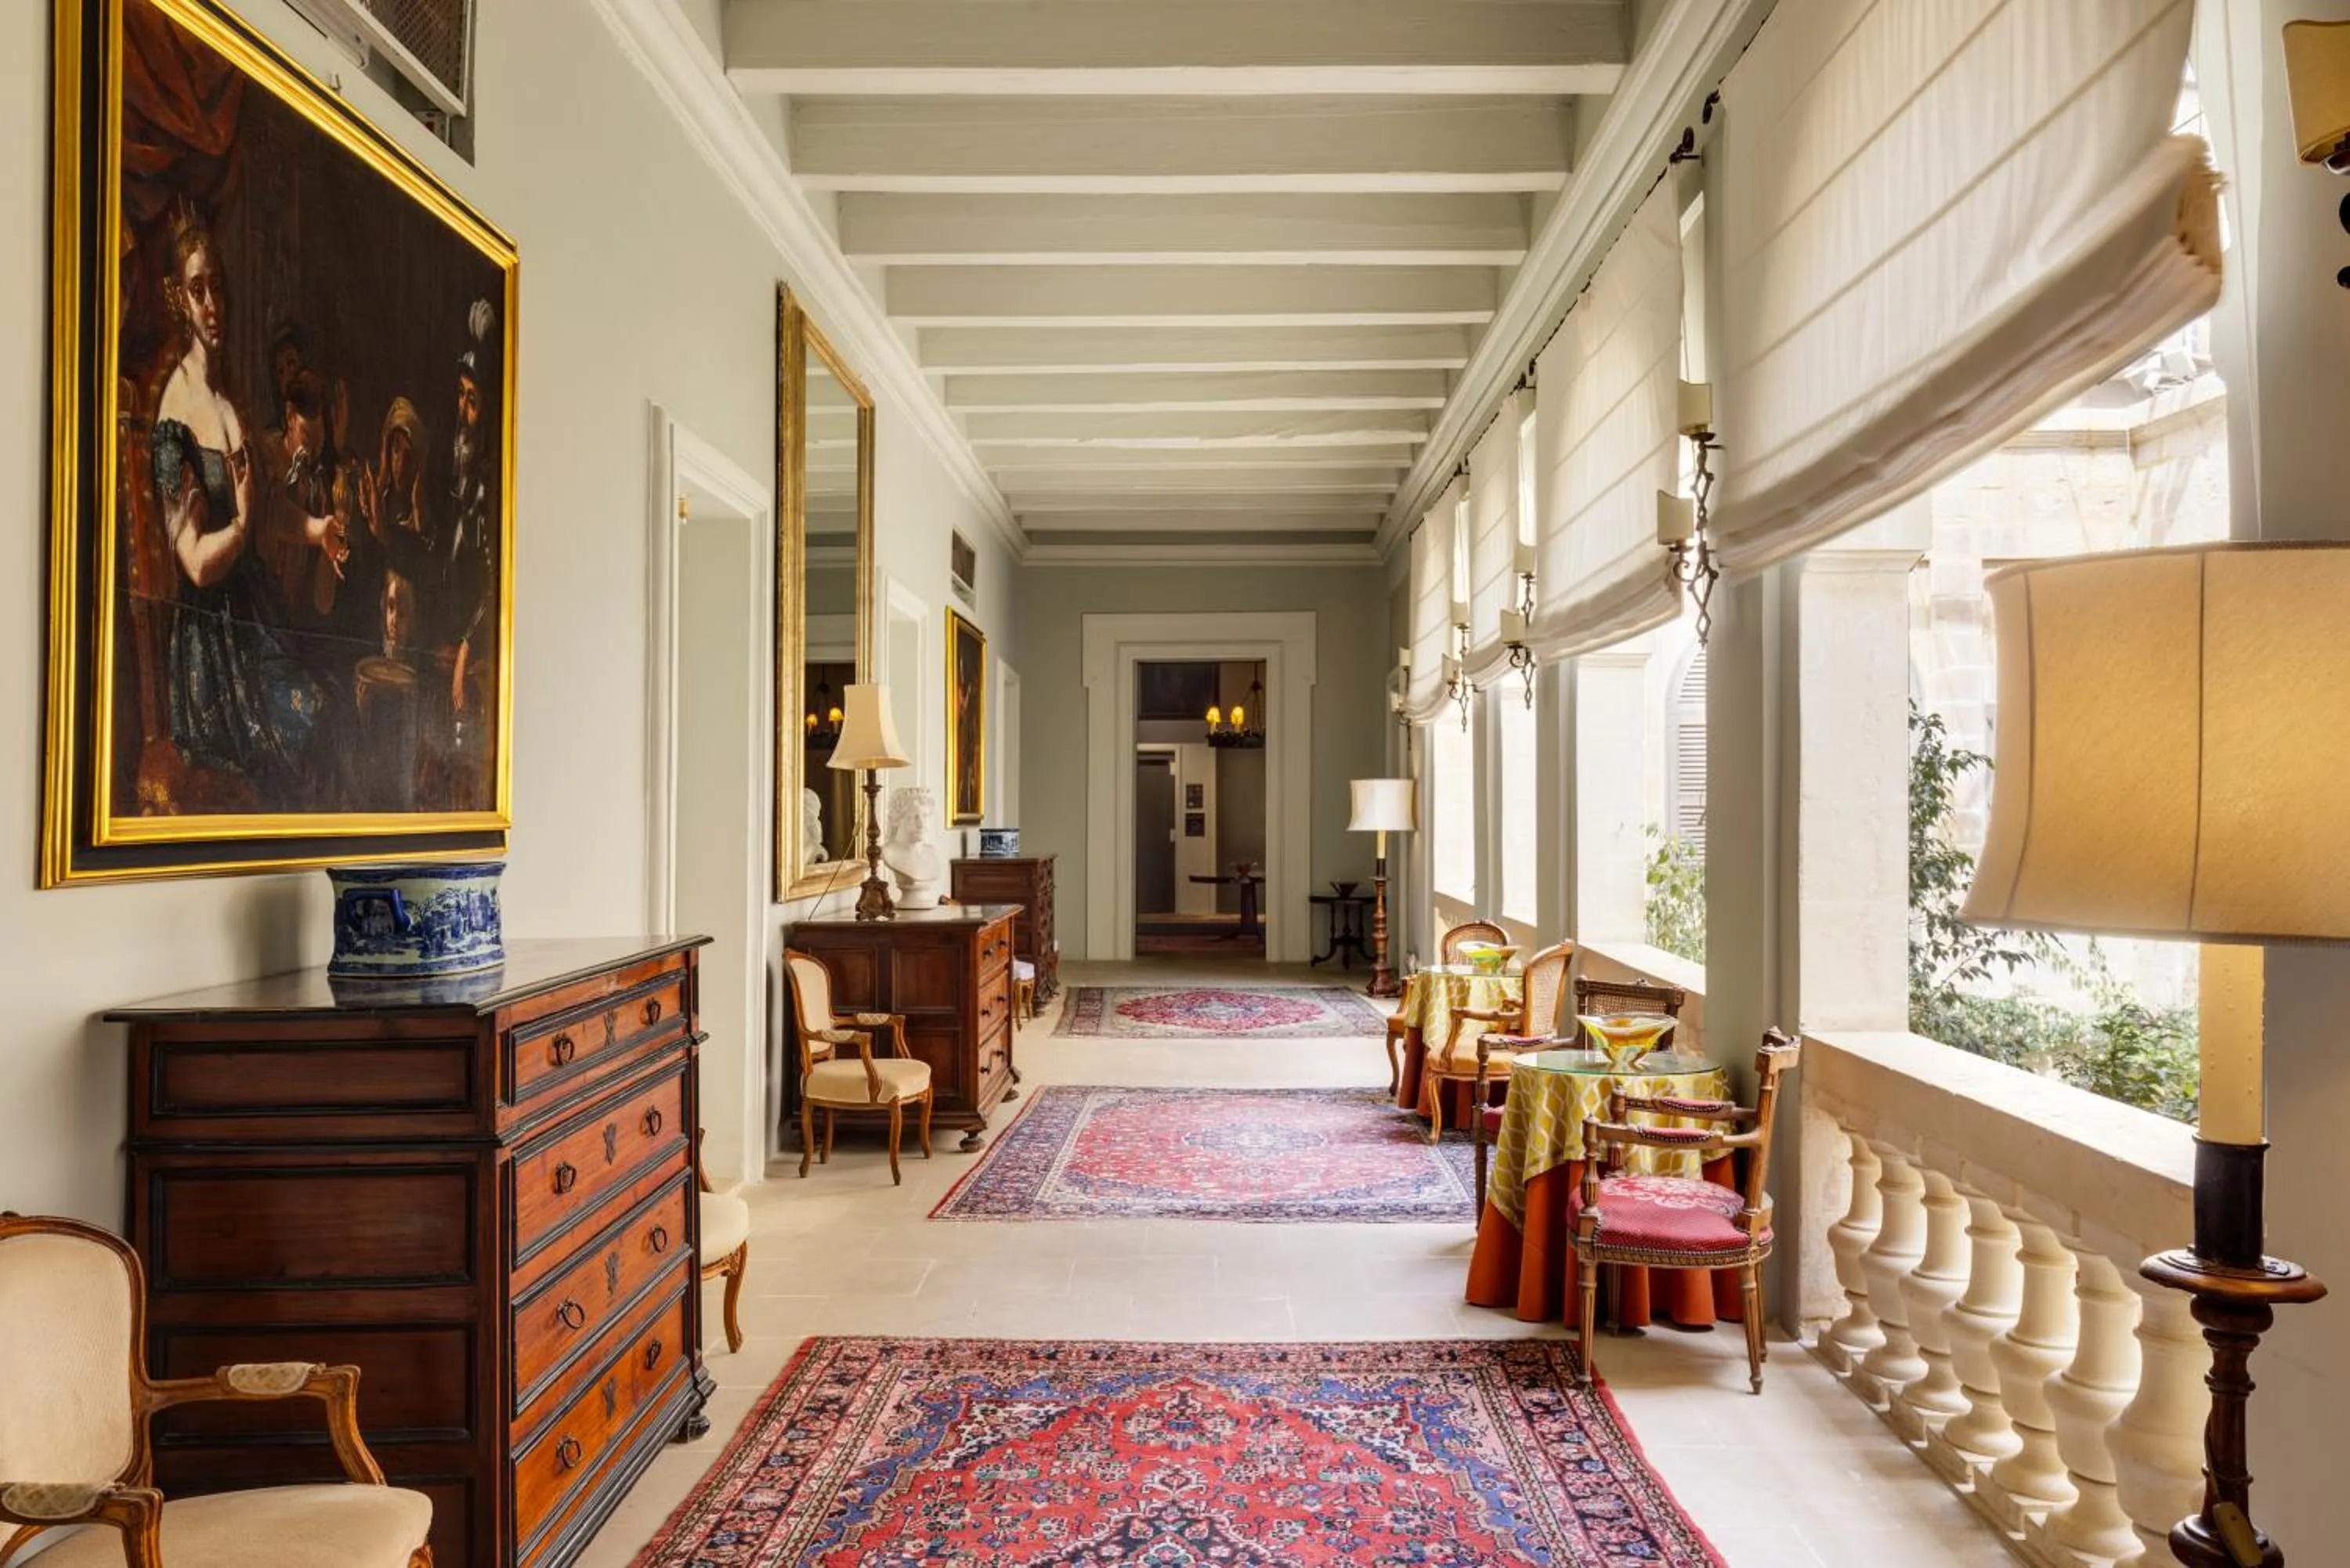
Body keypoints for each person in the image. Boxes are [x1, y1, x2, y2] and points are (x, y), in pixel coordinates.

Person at [146, 202, 319, 802]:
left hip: (253, 618)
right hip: (213, 649)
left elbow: (264, 509)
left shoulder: (227, 400)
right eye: (199, 291)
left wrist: (319, 530)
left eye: (218, 287)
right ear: (179, 301)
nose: (213, 304)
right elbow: (193, 561)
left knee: (323, 711)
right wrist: (243, 527)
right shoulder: (176, 410)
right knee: (308, 723)